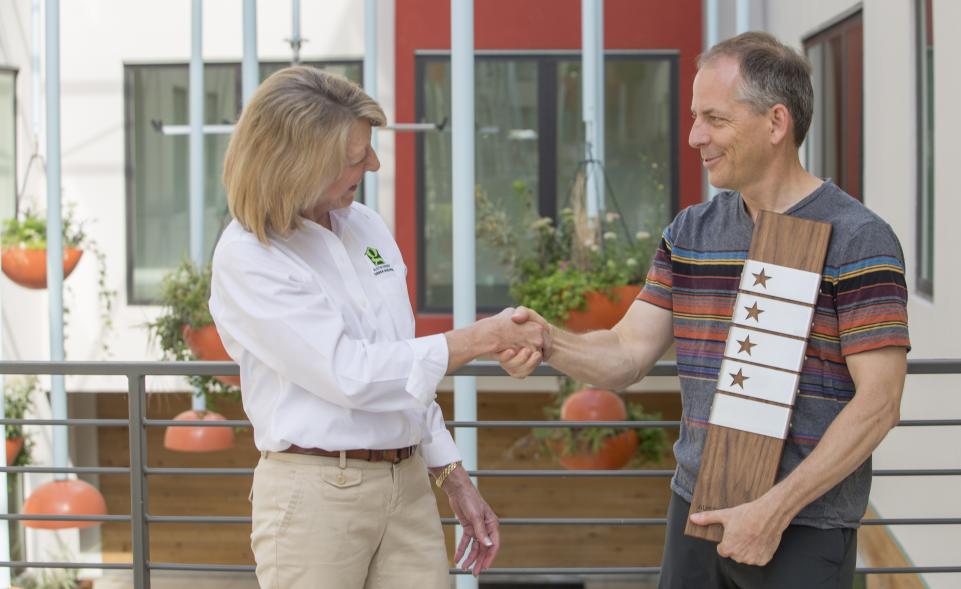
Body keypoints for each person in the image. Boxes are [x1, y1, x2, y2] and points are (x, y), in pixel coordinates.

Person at [500, 31, 910, 589]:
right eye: (695, 117)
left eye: (714, 118)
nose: (695, 136)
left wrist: (773, 511)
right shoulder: (692, 231)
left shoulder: (859, 238)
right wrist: (549, 341)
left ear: (776, 123)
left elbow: (879, 403)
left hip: (802, 525)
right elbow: (626, 352)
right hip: (695, 509)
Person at [209, 66, 545, 588]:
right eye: (354, 158)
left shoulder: (364, 224)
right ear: (295, 164)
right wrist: (480, 338)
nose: (374, 163)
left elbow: (399, 360)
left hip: (407, 483)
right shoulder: (250, 257)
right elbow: (354, 375)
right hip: (316, 495)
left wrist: (451, 475)